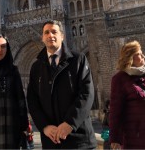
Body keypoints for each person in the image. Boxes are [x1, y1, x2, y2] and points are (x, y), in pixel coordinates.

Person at [27, 20, 97, 149]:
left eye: (54, 32)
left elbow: (86, 93)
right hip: (51, 141)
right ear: (42, 37)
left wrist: (70, 123)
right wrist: (45, 126)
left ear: (62, 36)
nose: (50, 35)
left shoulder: (78, 59)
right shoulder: (36, 67)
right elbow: (32, 100)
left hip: (79, 140)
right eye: (46, 32)